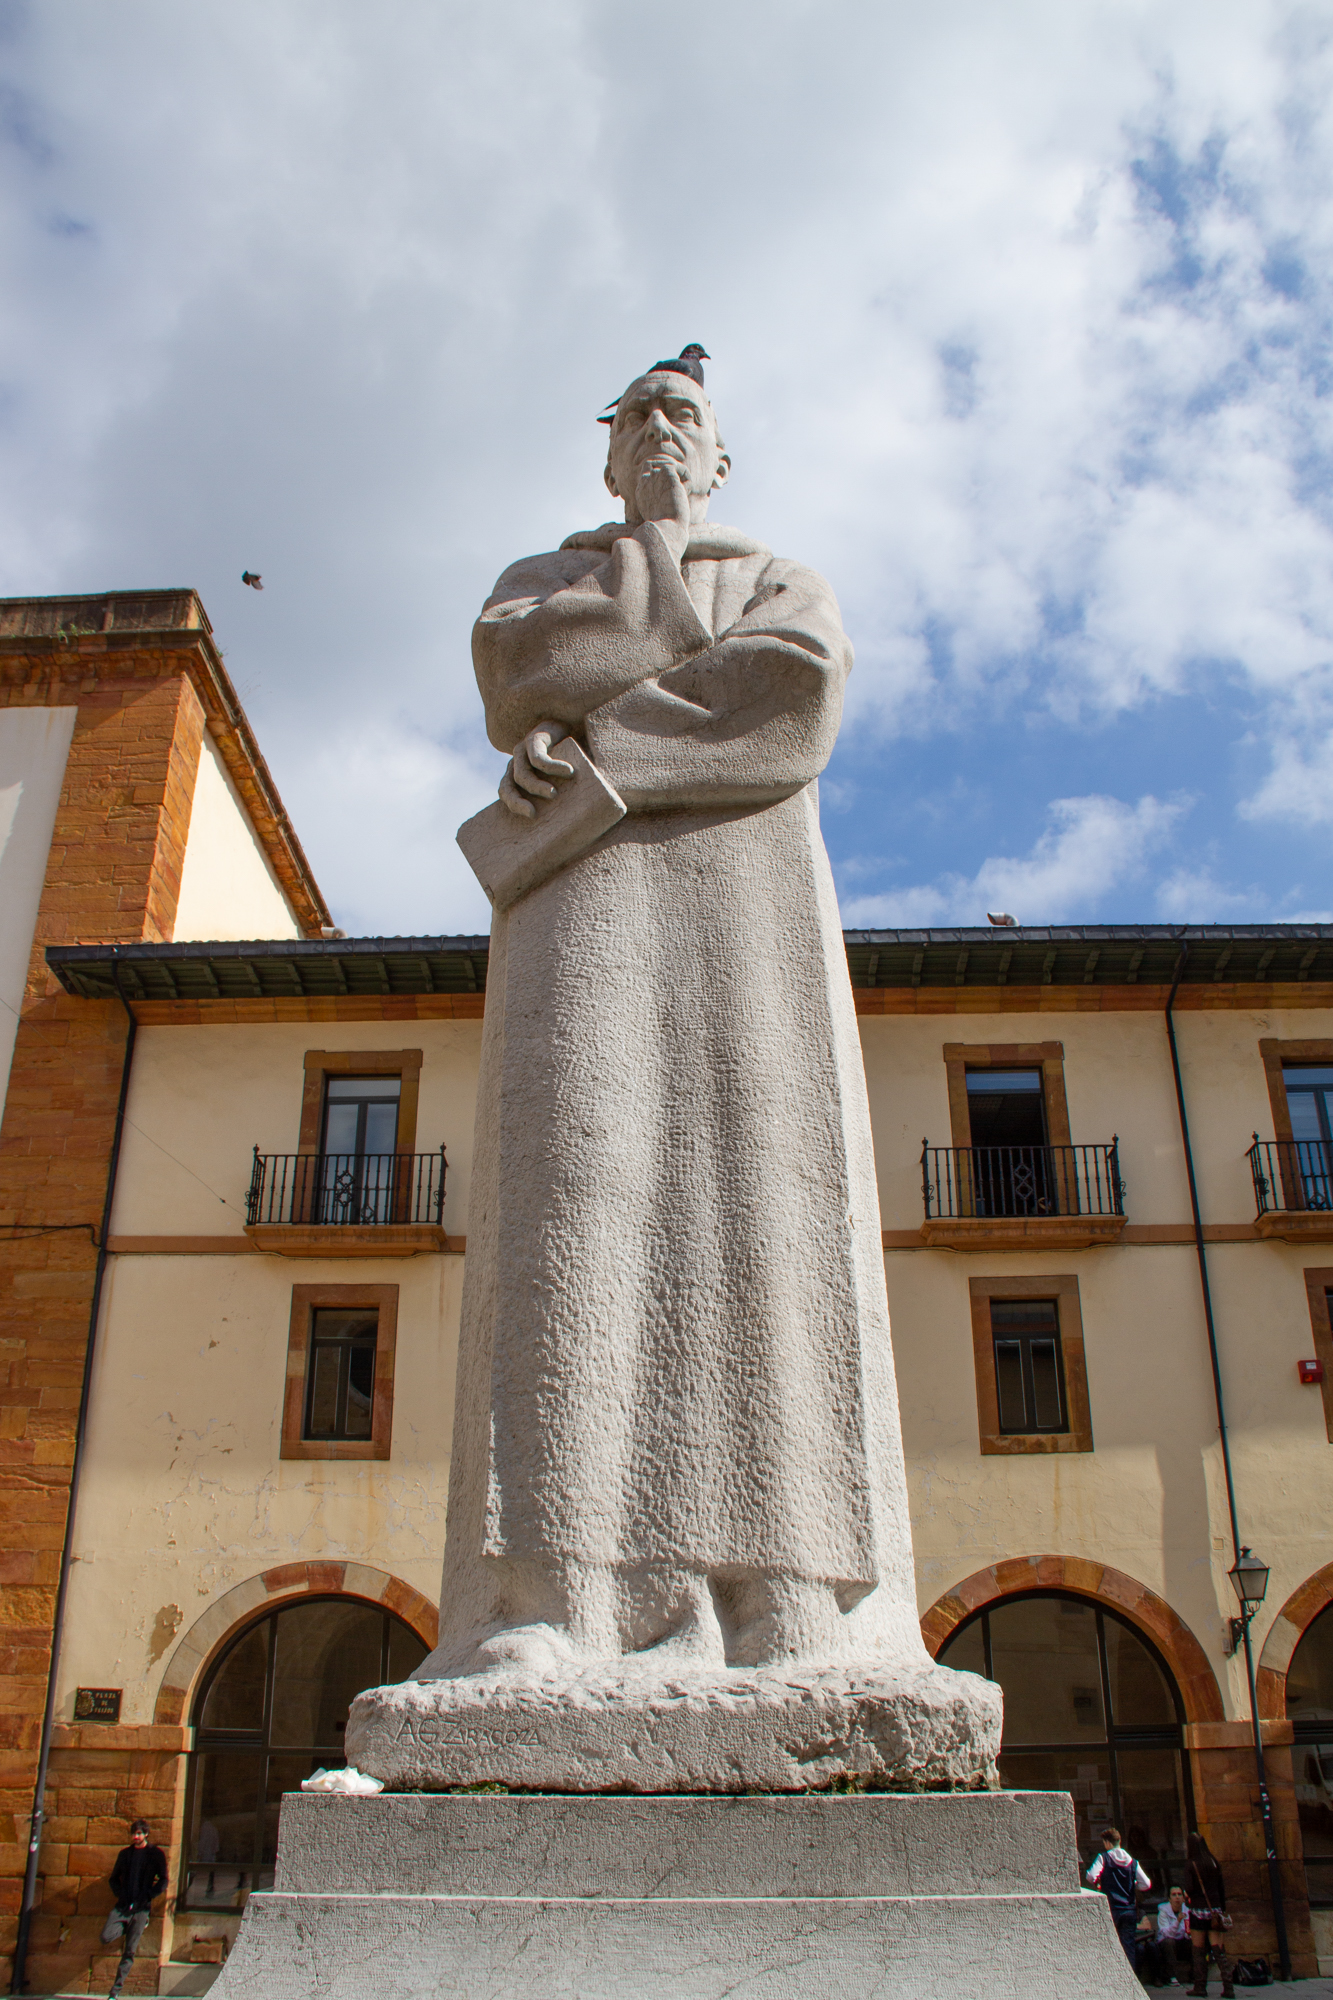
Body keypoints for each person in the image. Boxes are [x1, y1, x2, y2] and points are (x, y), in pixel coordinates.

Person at [102, 1818, 167, 1998]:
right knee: (106, 1936)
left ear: (146, 1834)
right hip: (123, 1907)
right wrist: (120, 1894)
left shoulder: (155, 1854)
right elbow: (113, 1878)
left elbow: (163, 1880)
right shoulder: (125, 1854)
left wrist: (149, 1895)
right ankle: (126, 1926)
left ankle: (115, 1992)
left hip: (141, 1908)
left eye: (139, 1833)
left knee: (129, 1951)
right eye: (133, 1834)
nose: (135, 1837)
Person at [1086, 1826, 1151, 1966]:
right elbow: (1146, 1884)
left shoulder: (1103, 1858)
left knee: (1109, 1945)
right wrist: (1133, 1885)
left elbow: (1091, 1876)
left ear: (1107, 1843)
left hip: (1111, 1909)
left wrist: (1099, 1882)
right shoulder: (1133, 1862)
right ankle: (1131, 1979)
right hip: (1129, 1909)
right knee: (1128, 1947)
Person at [1186, 1830, 1235, 1997]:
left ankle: (1200, 1986)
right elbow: (1221, 1888)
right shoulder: (1214, 1862)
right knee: (1218, 1950)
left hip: (1198, 1911)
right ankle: (1228, 1986)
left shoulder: (1191, 1864)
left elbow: (1190, 1888)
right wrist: (1221, 1908)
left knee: (1198, 1950)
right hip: (1215, 1911)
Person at [1146, 1885, 1194, 1986]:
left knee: (1195, 1942)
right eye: (1174, 1895)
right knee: (1169, 1942)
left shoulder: (1186, 1910)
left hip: (1181, 1941)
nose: (1177, 1897)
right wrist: (1178, 1921)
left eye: (1179, 1894)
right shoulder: (1163, 1911)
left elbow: (1187, 1930)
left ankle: (1195, 1975)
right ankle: (1171, 1976)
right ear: (1169, 1899)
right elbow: (1167, 1933)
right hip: (1166, 1943)